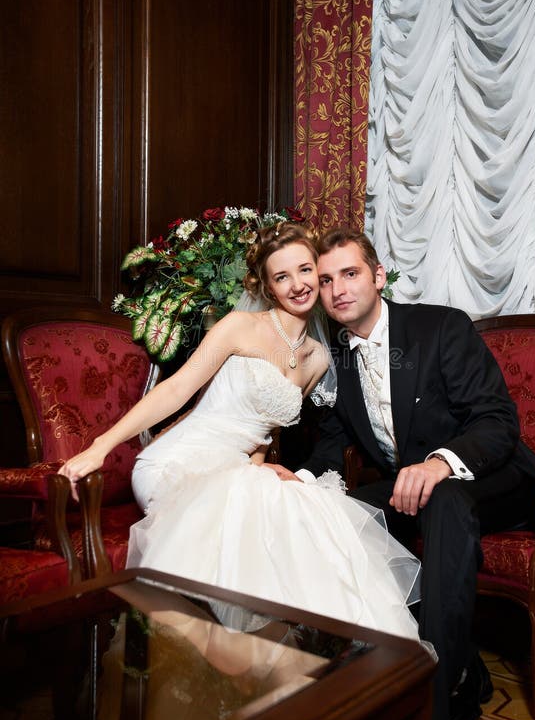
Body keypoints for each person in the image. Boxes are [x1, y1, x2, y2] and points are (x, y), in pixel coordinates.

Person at [58, 221, 425, 643]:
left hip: (237, 472)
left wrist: (257, 466)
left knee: (304, 506)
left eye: (305, 271)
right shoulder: (239, 327)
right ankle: (245, 663)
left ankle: (312, 663)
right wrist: (99, 447)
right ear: (268, 288)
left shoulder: (318, 359)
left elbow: (265, 432)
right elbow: (177, 389)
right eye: (282, 277)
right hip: (178, 462)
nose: (298, 285)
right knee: (261, 507)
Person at [282, 228, 535, 720]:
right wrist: (299, 481)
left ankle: (430, 712)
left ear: (378, 277)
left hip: (498, 482)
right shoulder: (339, 357)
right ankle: (384, 675)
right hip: (417, 490)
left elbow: (498, 422)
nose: (336, 290)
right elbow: (334, 437)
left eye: (349, 274)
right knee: (338, 510)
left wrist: (440, 463)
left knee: (444, 499)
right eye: (325, 280)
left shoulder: (440, 327)